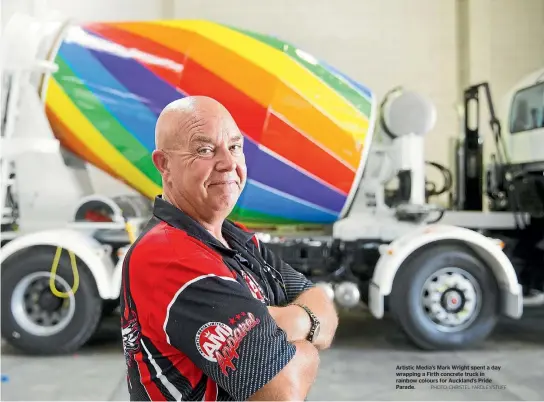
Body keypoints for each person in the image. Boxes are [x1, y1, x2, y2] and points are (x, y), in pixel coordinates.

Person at [120, 96, 339, 401]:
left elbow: (319, 300)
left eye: (235, 147)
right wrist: (306, 345)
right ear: (164, 164)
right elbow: (281, 389)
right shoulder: (168, 256)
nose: (228, 163)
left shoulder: (235, 239)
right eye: (205, 150)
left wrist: (288, 322)